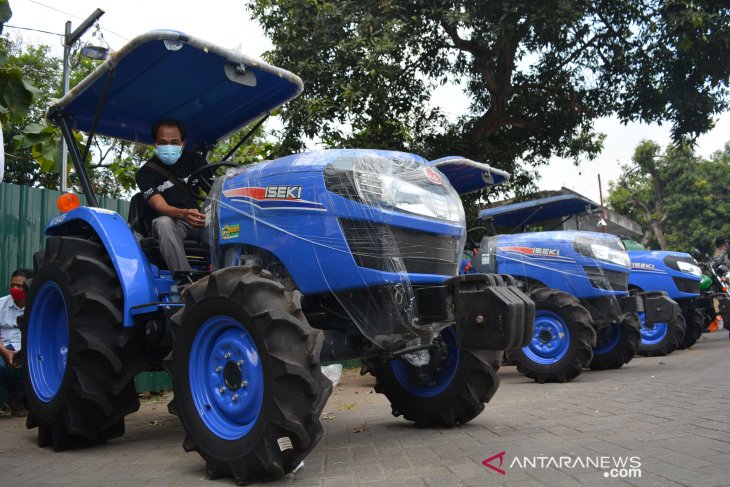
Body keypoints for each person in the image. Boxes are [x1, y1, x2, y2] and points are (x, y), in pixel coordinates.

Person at [135, 119, 208, 272]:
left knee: (226, 225)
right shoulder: (145, 174)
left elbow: (213, 191)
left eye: (174, 142)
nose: (169, 147)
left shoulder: (196, 161)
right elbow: (160, 206)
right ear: (155, 143)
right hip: (171, 223)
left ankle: (228, 276)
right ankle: (185, 282)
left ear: (183, 143)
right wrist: (184, 213)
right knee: (164, 222)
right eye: (163, 142)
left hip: (196, 219)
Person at [0, 268, 32, 417]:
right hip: (4, 347)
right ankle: (18, 396)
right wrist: (6, 353)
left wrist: (23, 352)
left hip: (29, 348)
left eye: (20, 286)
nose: (15, 289)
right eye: (13, 285)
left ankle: (15, 399)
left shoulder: (36, 306)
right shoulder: (1, 304)